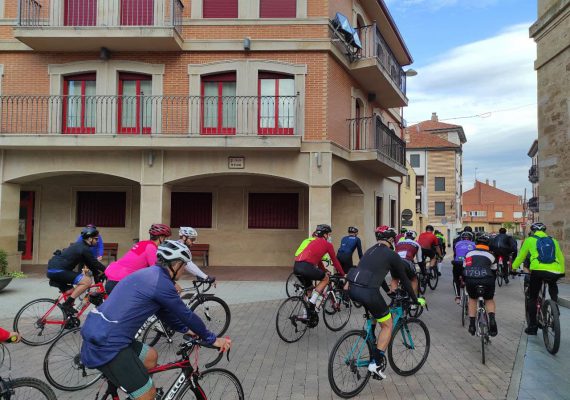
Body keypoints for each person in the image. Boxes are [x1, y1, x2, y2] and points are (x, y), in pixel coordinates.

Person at [80, 240, 231, 400]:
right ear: (177, 263)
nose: (184, 270)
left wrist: (188, 330)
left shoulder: (150, 274)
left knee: (150, 357)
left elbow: (165, 313)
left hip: (102, 332)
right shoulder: (161, 283)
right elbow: (187, 314)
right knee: (148, 394)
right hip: (108, 344)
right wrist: (211, 339)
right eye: (185, 265)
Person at [346, 225, 424, 380]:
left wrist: (388, 291)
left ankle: (372, 337)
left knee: (377, 313)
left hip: (353, 289)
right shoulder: (391, 254)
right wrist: (415, 300)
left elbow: (376, 274)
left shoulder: (370, 250)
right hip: (368, 292)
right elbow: (405, 280)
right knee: (387, 324)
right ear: (391, 239)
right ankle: (375, 364)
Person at [511, 222, 565, 335]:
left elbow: (521, 256)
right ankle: (555, 307)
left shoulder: (530, 240)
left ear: (533, 231)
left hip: (538, 270)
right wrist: (562, 271)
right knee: (552, 284)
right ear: (544, 231)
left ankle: (532, 327)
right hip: (555, 270)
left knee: (532, 297)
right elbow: (560, 257)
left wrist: (514, 268)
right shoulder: (553, 240)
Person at [47, 226, 107, 316]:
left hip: (53, 270)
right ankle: (66, 305)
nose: (97, 241)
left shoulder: (80, 246)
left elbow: (91, 264)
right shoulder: (84, 248)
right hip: (58, 271)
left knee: (71, 291)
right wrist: (108, 270)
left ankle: (69, 319)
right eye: (96, 239)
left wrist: (97, 276)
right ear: (90, 239)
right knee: (87, 281)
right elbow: (95, 263)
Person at [104, 224, 171, 294]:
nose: (167, 241)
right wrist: (172, 283)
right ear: (161, 237)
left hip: (113, 278)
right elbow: (157, 271)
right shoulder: (151, 247)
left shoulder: (142, 243)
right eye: (166, 238)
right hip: (122, 283)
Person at [294, 224, 345, 311]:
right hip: (307, 267)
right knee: (326, 279)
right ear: (325, 235)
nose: (329, 237)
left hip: (296, 267)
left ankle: (306, 314)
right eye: (329, 234)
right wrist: (343, 274)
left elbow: (319, 260)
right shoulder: (328, 245)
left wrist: (324, 270)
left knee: (309, 289)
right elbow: (335, 261)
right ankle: (313, 302)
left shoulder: (312, 242)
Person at [463, 234, 498, 337]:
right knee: (489, 299)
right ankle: (492, 320)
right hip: (487, 280)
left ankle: (472, 325)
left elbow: (465, 268)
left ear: (476, 244)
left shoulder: (469, 254)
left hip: (471, 280)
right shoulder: (491, 255)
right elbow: (494, 271)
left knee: (473, 299)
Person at [393, 230, 422, 294]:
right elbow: (419, 260)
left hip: (395, 262)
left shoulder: (398, 243)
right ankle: (413, 299)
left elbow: (395, 253)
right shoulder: (416, 244)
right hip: (407, 262)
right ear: (414, 237)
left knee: (395, 279)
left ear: (405, 236)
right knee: (414, 280)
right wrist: (423, 270)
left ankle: (394, 298)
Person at [452, 232, 476, 304]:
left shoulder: (457, 244)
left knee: (455, 279)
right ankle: (473, 294)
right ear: (471, 238)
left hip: (458, 263)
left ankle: (458, 296)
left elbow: (455, 254)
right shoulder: (474, 244)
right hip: (469, 263)